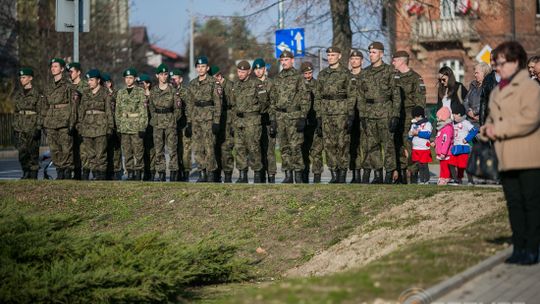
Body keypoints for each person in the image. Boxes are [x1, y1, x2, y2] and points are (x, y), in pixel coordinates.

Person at [480, 41, 540, 265]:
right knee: (513, 204)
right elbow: (490, 119)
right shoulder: (496, 91)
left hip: (529, 156)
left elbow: (530, 119)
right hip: (505, 157)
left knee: (531, 204)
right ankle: (519, 247)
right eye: (495, 63)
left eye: (501, 63)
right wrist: (485, 130)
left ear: (515, 63)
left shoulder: (531, 88)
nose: (496, 67)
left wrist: (499, 129)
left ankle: (533, 248)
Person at [356, 41, 400, 184]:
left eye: (374, 52)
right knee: (372, 146)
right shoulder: (365, 73)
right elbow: (360, 95)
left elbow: (396, 95)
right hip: (369, 114)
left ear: (381, 54)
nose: (371, 55)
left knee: (388, 145)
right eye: (370, 52)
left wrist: (395, 115)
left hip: (385, 112)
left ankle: (388, 173)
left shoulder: (390, 71)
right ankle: (377, 174)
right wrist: (362, 114)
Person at [269, 50, 310, 183]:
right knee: (284, 147)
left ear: (292, 60)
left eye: (286, 60)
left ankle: (298, 174)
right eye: (282, 60)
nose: (284, 62)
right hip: (281, 116)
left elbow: (305, 98)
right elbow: (273, 100)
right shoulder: (277, 78)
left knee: (295, 146)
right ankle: (288, 174)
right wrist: (273, 119)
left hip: (294, 116)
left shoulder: (298, 77)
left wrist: (303, 117)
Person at [316, 46, 351, 183]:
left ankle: (342, 173)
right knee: (329, 145)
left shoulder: (346, 74)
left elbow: (351, 95)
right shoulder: (322, 74)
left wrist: (350, 114)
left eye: (333, 55)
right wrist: (319, 115)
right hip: (326, 113)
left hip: (341, 112)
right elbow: (318, 96)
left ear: (339, 56)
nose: (330, 57)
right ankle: (333, 173)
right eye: (329, 55)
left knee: (342, 144)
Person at [391, 50, 426, 184]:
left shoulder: (415, 78)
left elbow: (420, 101)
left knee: (410, 146)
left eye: (394, 60)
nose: (393, 63)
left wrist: (417, 120)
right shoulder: (394, 77)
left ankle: (413, 173)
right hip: (396, 115)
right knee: (398, 144)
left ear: (401, 61)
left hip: (410, 117)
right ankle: (400, 174)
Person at [185, 56, 222, 182]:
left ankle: (211, 172)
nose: (201, 69)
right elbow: (189, 104)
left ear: (207, 68)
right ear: (196, 68)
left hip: (209, 118)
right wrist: (189, 122)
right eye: (199, 67)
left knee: (209, 146)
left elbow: (217, 103)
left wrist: (216, 121)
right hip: (196, 118)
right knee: (198, 147)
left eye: (203, 67)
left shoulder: (213, 83)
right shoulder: (192, 84)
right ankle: (202, 172)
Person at [229, 60, 265, 183]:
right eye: (239, 71)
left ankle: (257, 174)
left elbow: (264, 103)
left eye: (243, 72)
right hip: (238, 121)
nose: (240, 74)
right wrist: (233, 122)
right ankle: (242, 175)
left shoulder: (257, 84)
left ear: (249, 72)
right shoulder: (235, 86)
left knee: (253, 148)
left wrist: (255, 113)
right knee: (239, 148)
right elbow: (233, 105)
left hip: (252, 121)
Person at [43, 58, 78, 179]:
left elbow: (73, 106)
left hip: (64, 121)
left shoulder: (69, 85)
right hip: (51, 121)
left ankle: (67, 172)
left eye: (56, 66)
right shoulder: (48, 86)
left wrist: (72, 123)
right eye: (52, 66)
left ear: (62, 69)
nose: (53, 68)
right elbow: (45, 105)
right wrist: (44, 122)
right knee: (54, 149)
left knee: (66, 149)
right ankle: (59, 172)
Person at [77, 69, 114, 180]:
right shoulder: (86, 93)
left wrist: (110, 127)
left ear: (98, 80)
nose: (89, 82)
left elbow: (108, 111)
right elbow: (81, 111)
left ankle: (101, 176)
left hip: (101, 127)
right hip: (87, 127)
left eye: (92, 80)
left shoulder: (105, 93)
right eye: (88, 80)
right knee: (91, 155)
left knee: (101, 154)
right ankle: (95, 175)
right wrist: (79, 125)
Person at [148, 64, 181, 181]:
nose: (164, 76)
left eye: (166, 74)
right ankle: (161, 173)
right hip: (157, 123)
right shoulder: (153, 91)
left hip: (170, 123)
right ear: (157, 76)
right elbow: (151, 108)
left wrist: (172, 120)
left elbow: (178, 110)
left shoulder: (173, 91)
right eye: (161, 74)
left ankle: (173, 172)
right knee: (158, 150)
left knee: (172, 149)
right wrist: (155, 118)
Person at [115, 68, 148, 181]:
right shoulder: (120, 92)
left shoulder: (140, 92)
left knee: (138, 151)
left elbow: (143, 111)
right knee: (127, 152)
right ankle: (130, 172)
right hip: (124, 126)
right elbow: (118, 111)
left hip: (136, 126)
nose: (128, 80)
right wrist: (118, 127)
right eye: (126, 78)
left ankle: (138, 172)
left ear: (134, 79)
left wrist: (143, 126)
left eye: (130, 78)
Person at [13, 67, 44, 179]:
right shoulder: (18, 94)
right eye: (21, 77)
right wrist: (15, 127)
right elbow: (16, 112)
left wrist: (38, 127)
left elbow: (41, 112)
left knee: (33, 153)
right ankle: (25, 172)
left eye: (24, 77)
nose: (22, 79)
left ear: (30, 78)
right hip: (20, 128)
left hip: (32, 127)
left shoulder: (37, 94)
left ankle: (33, 175)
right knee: (22, 153)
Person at [209, 65, 234, 183]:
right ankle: (217, 173)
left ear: (218, 76)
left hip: (228, 119)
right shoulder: (213, 86)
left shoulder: (230, 86)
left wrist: (234, 123)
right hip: (216, 120)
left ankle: (228, 174)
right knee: (215, 148)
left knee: (226, 148)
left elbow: (235, 106)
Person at [253, 58, 277, 183]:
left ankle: (271, 175)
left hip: (268, 120)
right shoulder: (252, 84)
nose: (258, 71)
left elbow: (273, 103)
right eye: (256, 69)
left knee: (269, 150)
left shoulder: (271, 84)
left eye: (260, 68)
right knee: (257, 149)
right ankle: (260, 175)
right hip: (256, 122)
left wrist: (273, 121)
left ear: (264, 69)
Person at [300, 61, 323, 183]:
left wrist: (320, 120)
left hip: (315, 122)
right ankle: (304, 175)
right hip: (303, 123)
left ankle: (317, 176)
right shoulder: (299, 85)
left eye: (310, 73)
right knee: (303, 150)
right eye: (306, 73)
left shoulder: (317, 85)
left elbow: (320, 102)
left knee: (317, 150)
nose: (308, 75)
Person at [448, 103, 478, 185]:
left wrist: (467, 139)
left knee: (465, 165)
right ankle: (456, 180)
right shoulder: (453, 123)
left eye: (455, 114)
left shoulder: (465, 123)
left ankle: (470, 181)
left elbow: (474, 131)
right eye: (453, 114)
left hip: (464, 147)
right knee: (451, 163)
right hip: (455, 147)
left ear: (460, 114)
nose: (453, 116)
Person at [66, 62, 87, 180]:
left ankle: (84, 173)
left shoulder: (85, 86)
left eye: (72, 71)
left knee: (83, 149)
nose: (70, 74)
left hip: (81, 121)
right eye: (68, 72)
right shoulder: (67, 87)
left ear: (78, 72)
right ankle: (76, 172)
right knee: (71, 149)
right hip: (69, 121)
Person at [169, 68, 191, 182]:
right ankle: (176, 171)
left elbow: (189, 108)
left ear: (181, 79)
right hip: (172, 125)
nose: (173, 81)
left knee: (185, 150)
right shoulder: (168, 91)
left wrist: (189, 124)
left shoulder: (185, 92)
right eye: (171, 79)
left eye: (175, 79)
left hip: (183, 124)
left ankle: (186, 172)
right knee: (174, 149)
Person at [347, 49, 365, 183]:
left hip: (364, 115)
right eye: (352, 59)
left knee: (365, 145)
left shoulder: (366, 75)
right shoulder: (346, 76)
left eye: (357, 59)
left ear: (362, 61)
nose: (354, 61)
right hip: (350, 115)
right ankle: (355, 174)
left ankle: (366, 173)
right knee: (352, 146)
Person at [101, 72, 123, 180]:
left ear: (109, 83)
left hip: (116, 126)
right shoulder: (101, 95)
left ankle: (117, 171)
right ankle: (108, 171)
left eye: (104, 83)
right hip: (104, 126)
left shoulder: (116, 94)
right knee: (106, 149)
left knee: (116, 150)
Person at [407, 106, 432, 184]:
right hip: (416, 148)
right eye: (415, 117)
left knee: (424, 164)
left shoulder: (427, 124)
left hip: (424, 148)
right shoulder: (414, 125)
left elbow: (428, 134)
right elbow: (410, 136)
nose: (416, 118)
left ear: (421, 116)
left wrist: (418, 133)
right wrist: (410, 134)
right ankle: (421, 180)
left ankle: (426, 179)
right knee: (419, 165)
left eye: (417, 116)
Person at [138, 74, 156, 181]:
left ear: (148, 84)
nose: (139, 86)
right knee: (141, 150)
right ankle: (144, 171)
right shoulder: (138, 96)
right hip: (140, 126)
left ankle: (152, 172)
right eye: (138, 83)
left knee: (152, 150)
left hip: (151, 125)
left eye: (142, 83)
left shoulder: (153, 95)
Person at [464, 62, 491, 129]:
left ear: (484, 73)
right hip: (469, 122)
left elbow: (487, 102)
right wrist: (469, 111)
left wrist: (474, 112)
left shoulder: (489, 86)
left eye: (477, 73)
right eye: (475, 73)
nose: (475, 75)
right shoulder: (473, 84)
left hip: (482, 123)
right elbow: (465, 100)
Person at [433, 107, 453, 186]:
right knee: (442, 166)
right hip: (440, 151)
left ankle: (446, 178)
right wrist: (435, 142)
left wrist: (443, 152)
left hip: (445, 153)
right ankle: (442, 177)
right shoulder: (442, 127)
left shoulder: (447, 128)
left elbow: (446, 141)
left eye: (438, 116)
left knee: (445, 166)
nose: (437, 118)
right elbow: (439, 138)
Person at [479, 52, 499, 126]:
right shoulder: (487, 79)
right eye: (491, 60)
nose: (492, 62)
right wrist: (482, 124)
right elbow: (483, 102)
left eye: (494, 60)